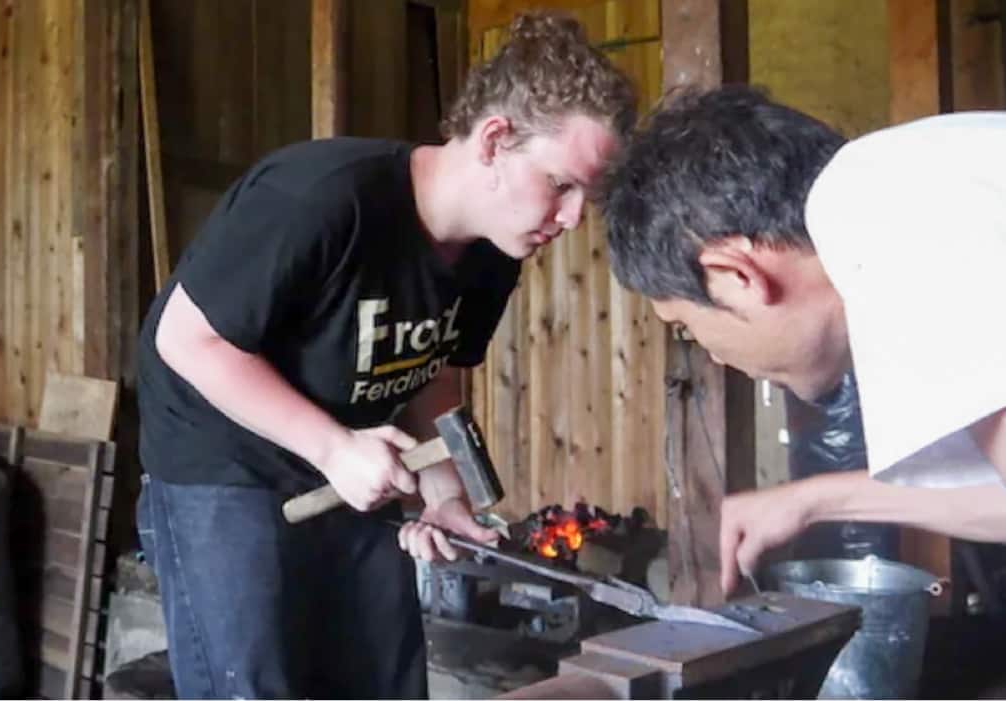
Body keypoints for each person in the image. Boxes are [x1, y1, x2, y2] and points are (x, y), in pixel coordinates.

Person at [135, 11, 636, 699]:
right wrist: (334, 447)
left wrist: (443, 493)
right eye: (562, 183)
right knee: (253, 685)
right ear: (494, 140)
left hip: (352, 452)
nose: (575, 217)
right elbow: (185, 340)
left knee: (383, 678)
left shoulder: (495, 250)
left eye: (588, 196)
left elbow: (432, 370)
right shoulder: (321, 197)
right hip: (224, 454)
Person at [598, 85, 1006, 596]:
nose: (717, 357)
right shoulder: (896, 187)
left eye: (685, 327)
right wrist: (813, 501)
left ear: (734, 274)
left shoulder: (898, 228)